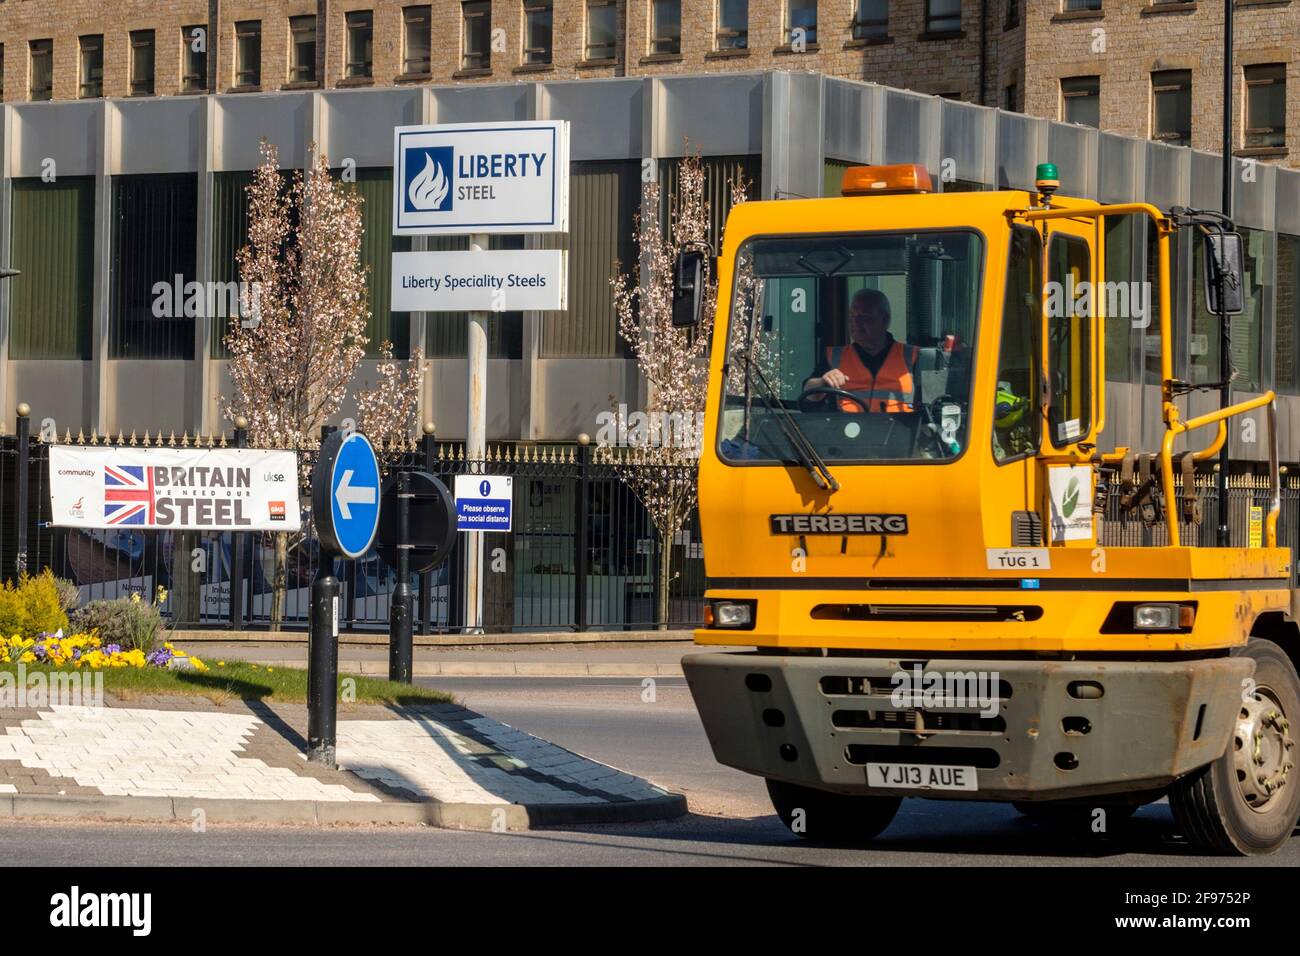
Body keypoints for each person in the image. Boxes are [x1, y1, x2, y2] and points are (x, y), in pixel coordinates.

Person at [803, 288, 919, 413]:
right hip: (846, 430)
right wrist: (822, 382)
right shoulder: (834, 356)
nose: (856, 323)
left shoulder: (914, 356)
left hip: (898, 430)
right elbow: (808, 395)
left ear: (885, 320)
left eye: (864, 317)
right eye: (852, 316)